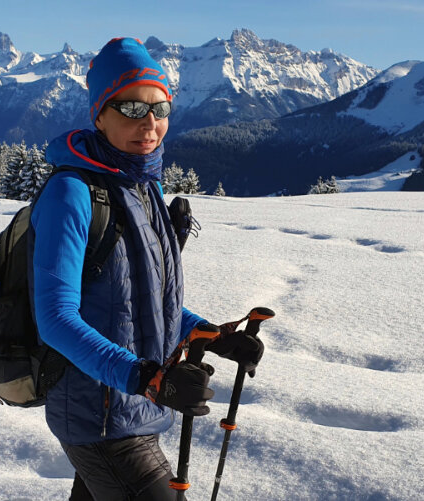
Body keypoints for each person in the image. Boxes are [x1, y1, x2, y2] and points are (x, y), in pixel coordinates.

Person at [32, 37, 264, 500]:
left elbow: (145, 302)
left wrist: (212, 336)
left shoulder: (143, 187)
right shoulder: (72, 194)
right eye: (132, 109)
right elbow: (55, 319)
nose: (150, 124)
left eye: (160, 109)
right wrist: (146, 377)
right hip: (100, 417)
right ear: (99, 112)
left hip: (133, 406)